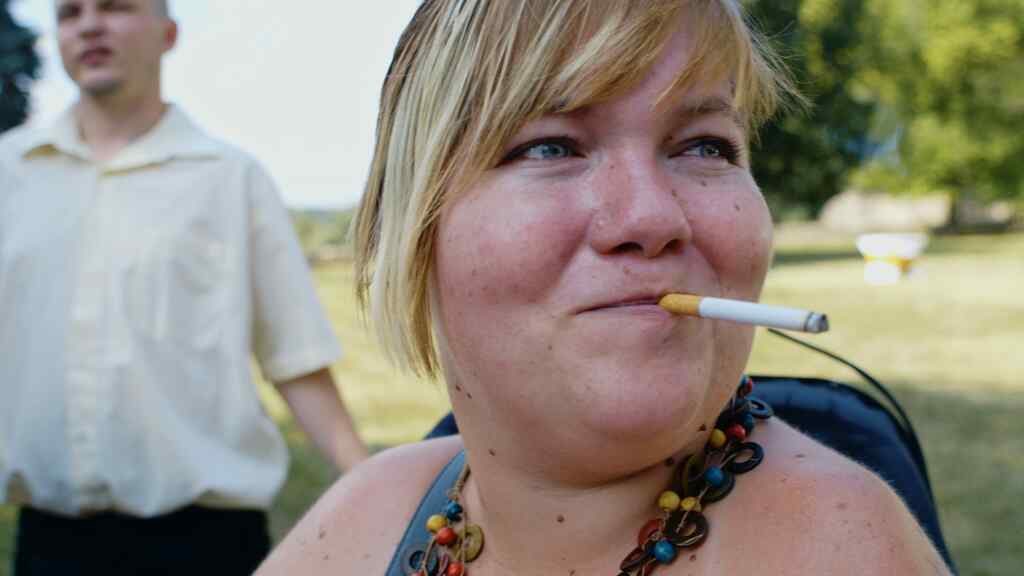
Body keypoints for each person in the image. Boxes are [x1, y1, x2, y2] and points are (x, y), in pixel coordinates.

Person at [257, 1, 952, 574]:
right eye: (551, 146)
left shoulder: (842, 550)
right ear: (414, 228)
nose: (650, 217)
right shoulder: (363, 520)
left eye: (704, 146)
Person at [0, 0, 368, 573]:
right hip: (48, 544)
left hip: (204, 545)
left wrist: (373, 487)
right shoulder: (11, 174)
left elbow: (295, 355)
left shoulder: (230, 178)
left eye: (114, 6)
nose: (90, 24)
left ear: (168, 34)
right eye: (70, 13)